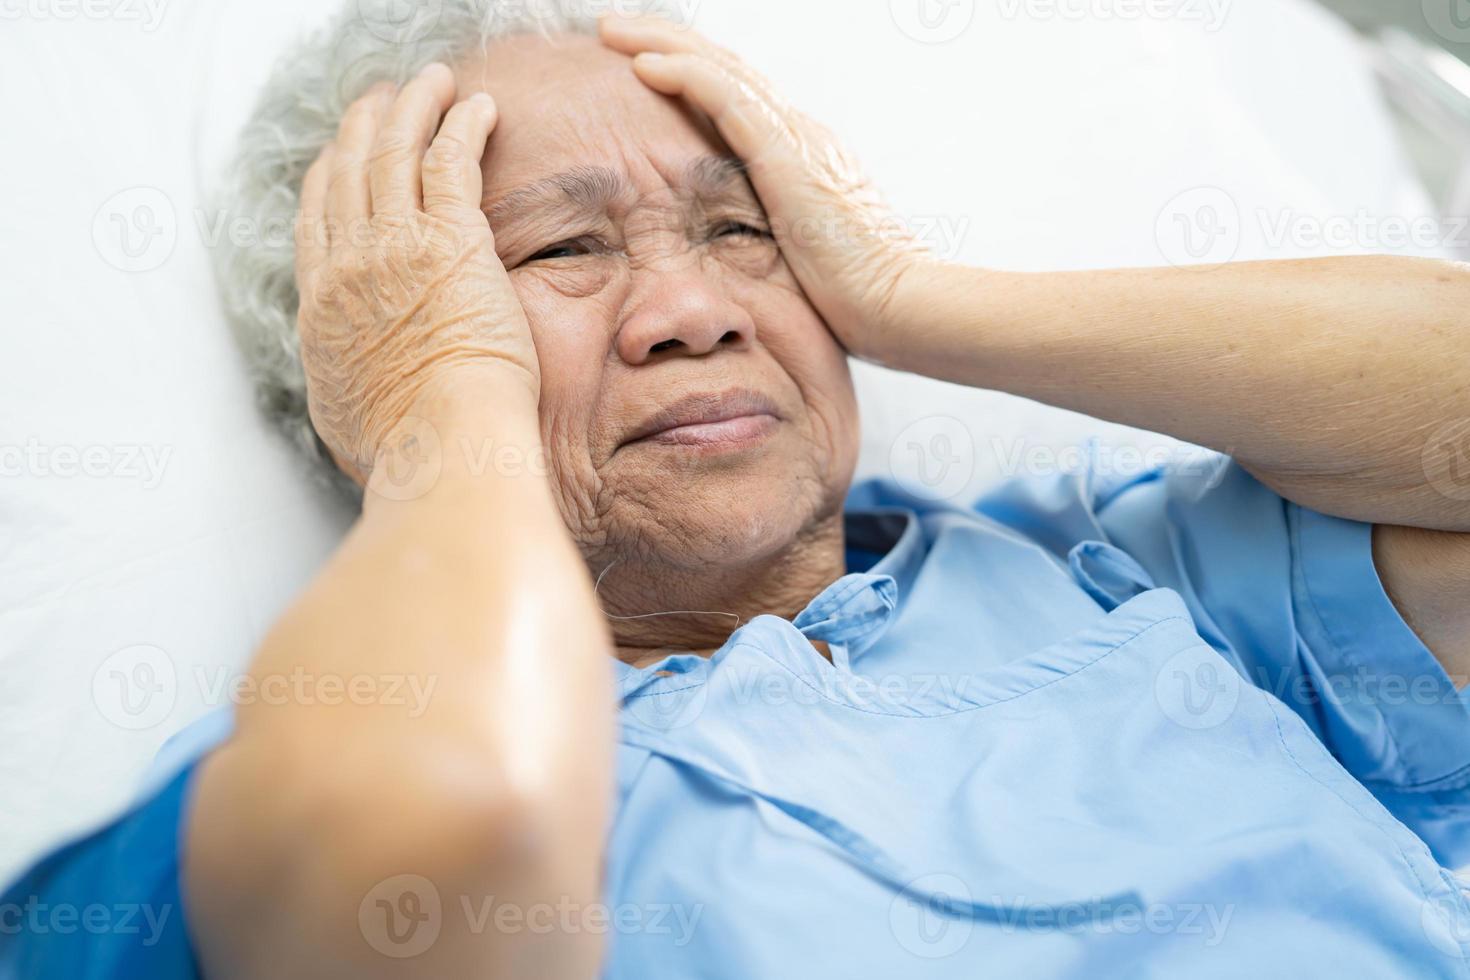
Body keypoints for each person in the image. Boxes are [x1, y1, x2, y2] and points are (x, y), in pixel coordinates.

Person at [5, 3, 1470, 977]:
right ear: (362, 371)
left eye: (742, 226)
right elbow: (443, 830)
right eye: (558, 253)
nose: (689, 308)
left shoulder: (1122, 562)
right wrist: (442, 409)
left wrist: (911, 292)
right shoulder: (316, 757)